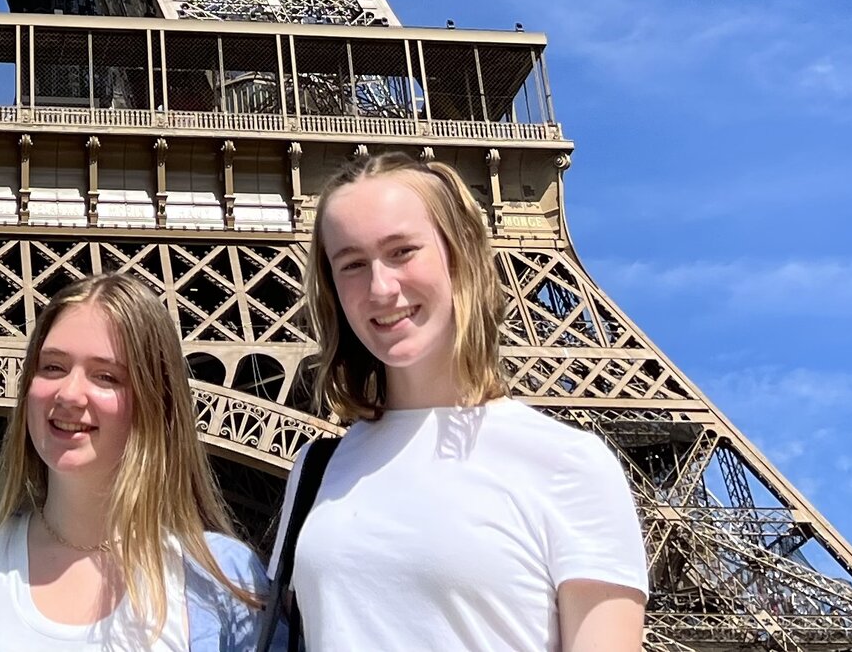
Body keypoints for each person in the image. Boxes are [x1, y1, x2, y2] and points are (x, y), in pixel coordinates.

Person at [262, 153, 647, 652]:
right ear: (333, 290)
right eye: (352, 264)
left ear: (457, 255)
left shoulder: (567, 464)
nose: (381, 288)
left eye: (402, 251)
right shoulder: (316, 472)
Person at [0, 273, 270, 652]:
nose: (69, 393)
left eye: (106, 376)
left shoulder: (224, 578)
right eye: (52, 366)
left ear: (156, 400)